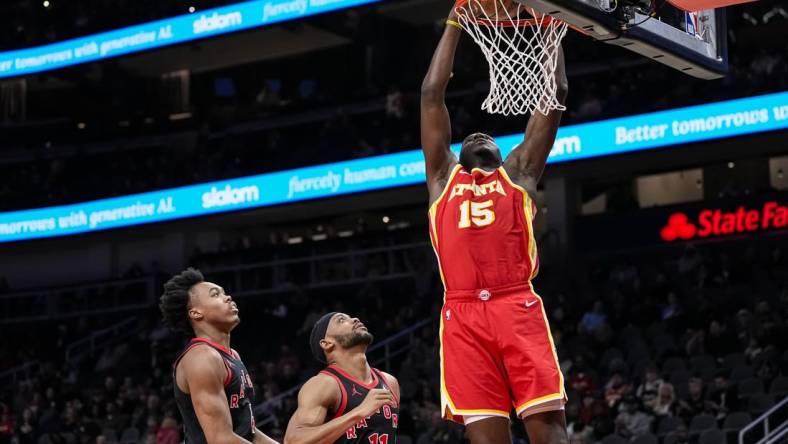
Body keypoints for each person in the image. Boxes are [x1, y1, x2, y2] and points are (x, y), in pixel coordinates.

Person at [420, 5, 569, 444]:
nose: (478, 135)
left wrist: (552, 25)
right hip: (462, 313)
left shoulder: (520, 173)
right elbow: (432, 94)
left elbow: (554, 90)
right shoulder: (442, 178)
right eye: (468, 137)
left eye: (487, 137)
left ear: (505, 154)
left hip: (515, 304)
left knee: (548, 431)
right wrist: (454, 22)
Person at [159, 268, 278, 444]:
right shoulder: (202, 357)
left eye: (224, 292)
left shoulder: (232, 355)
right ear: (196, 313)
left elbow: (248, 431)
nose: (228, 297)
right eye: (215, 295)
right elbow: (220, 439)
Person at [284, 313, 399, 444]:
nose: (356, 319)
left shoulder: (390, 382)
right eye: (341, 320)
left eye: (351, 317)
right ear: (327, 343)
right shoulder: (325, 384)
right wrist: (359, 412)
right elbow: (293, 441)